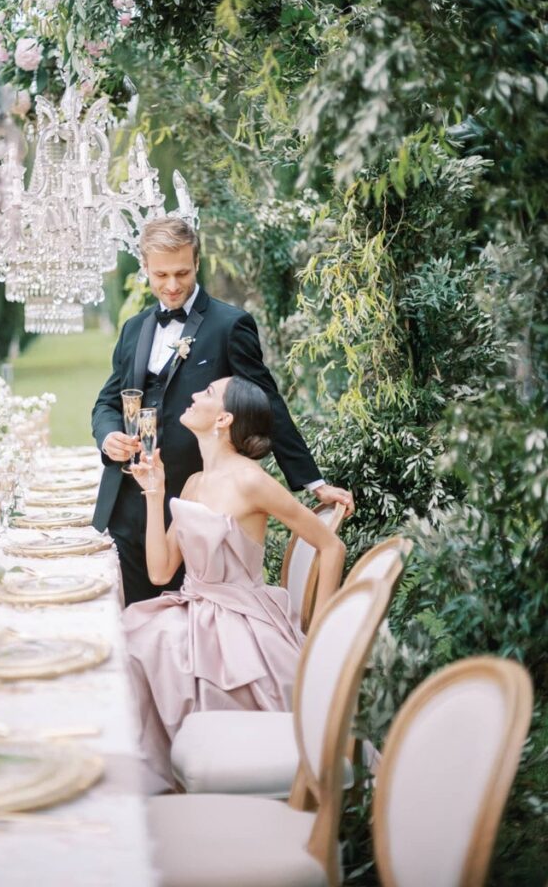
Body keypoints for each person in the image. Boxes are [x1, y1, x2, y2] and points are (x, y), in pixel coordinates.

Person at [91, 215, 354, 605]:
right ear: (145, 268)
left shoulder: (230, 326)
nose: (172, 285)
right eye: (160, 275)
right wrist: (108, 434)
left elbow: (268, 402)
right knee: (129, 623)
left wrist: (313, 483)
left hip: (199, 509)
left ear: (197, 262)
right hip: (129, 506)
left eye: (182, 272)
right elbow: (108, 401)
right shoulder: (134, 329)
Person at [122, 375, 346, 788]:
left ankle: (172, 780)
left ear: (223, 418)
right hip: (194, 608)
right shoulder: (193, 483)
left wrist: (321, 636)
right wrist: (155, 493)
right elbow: (159, 572)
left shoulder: (250, 480)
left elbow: (331, 546)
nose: (193, 395)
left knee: (147, 646)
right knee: (131, 638)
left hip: (240, 624)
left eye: (206, 393)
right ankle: (149, 784)